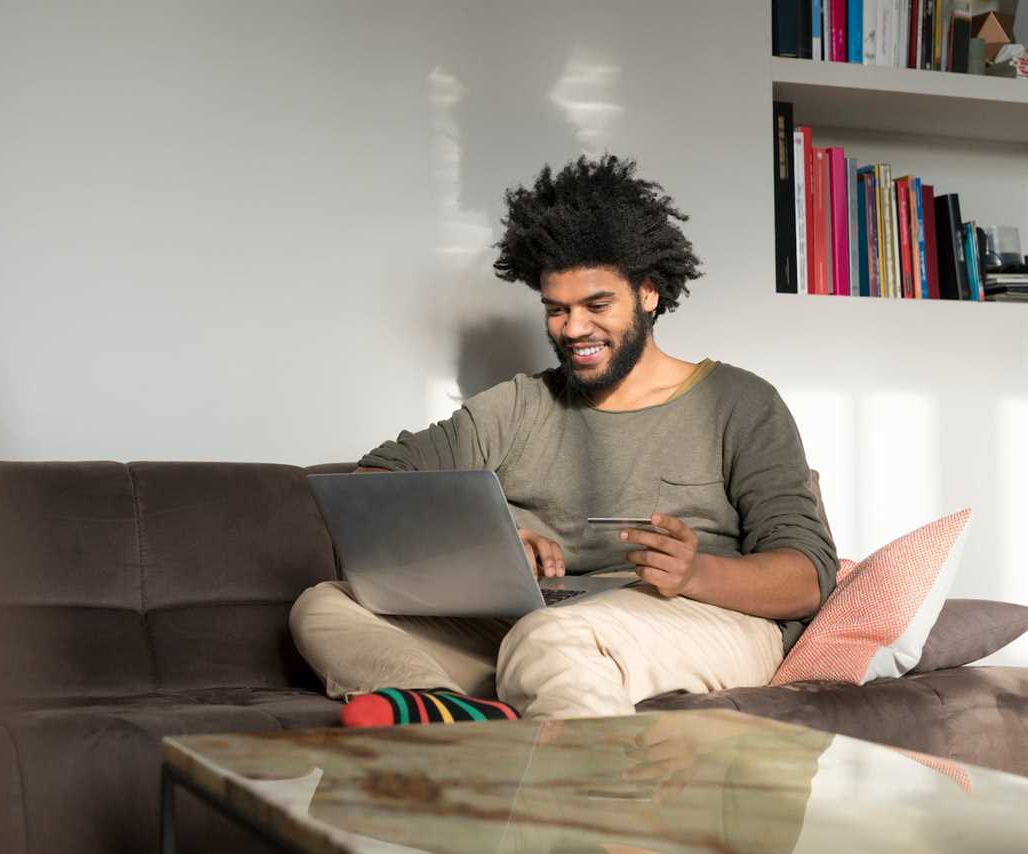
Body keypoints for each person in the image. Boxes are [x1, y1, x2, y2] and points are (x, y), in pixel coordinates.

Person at [290, 154, 837, 725]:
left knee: (551, 639)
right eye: (557, 310)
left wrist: (698, 573)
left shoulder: (739, 401)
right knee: (324, 605)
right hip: (543, 621)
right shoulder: (522, 404)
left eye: (597, 305)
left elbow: (806, 576)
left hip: (701, 615)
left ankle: (585, 804)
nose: (573, 329)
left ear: (648, 293)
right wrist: (497, 539)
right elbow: (377, 481)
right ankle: (450, 711)